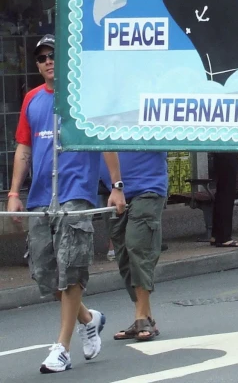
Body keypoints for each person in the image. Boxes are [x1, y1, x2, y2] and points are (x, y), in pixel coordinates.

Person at [6, 34, 126, 374]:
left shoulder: (83, 98)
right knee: (44, 274)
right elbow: (24, 149)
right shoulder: (31, 100)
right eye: (42, 57)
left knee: (71, 269)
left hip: (76, 193)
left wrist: (116, 186)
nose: (47, 61)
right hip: (41, 197)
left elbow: (105, 139)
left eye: (52, 55)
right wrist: (15, 193)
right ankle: (90, 319)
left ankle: (62, 347)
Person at [107, 152, 168, 342]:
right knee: (123, 254)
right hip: (112, 191)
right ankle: (145, 317)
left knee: (138, 247)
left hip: (147, 186)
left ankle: (141, 316)